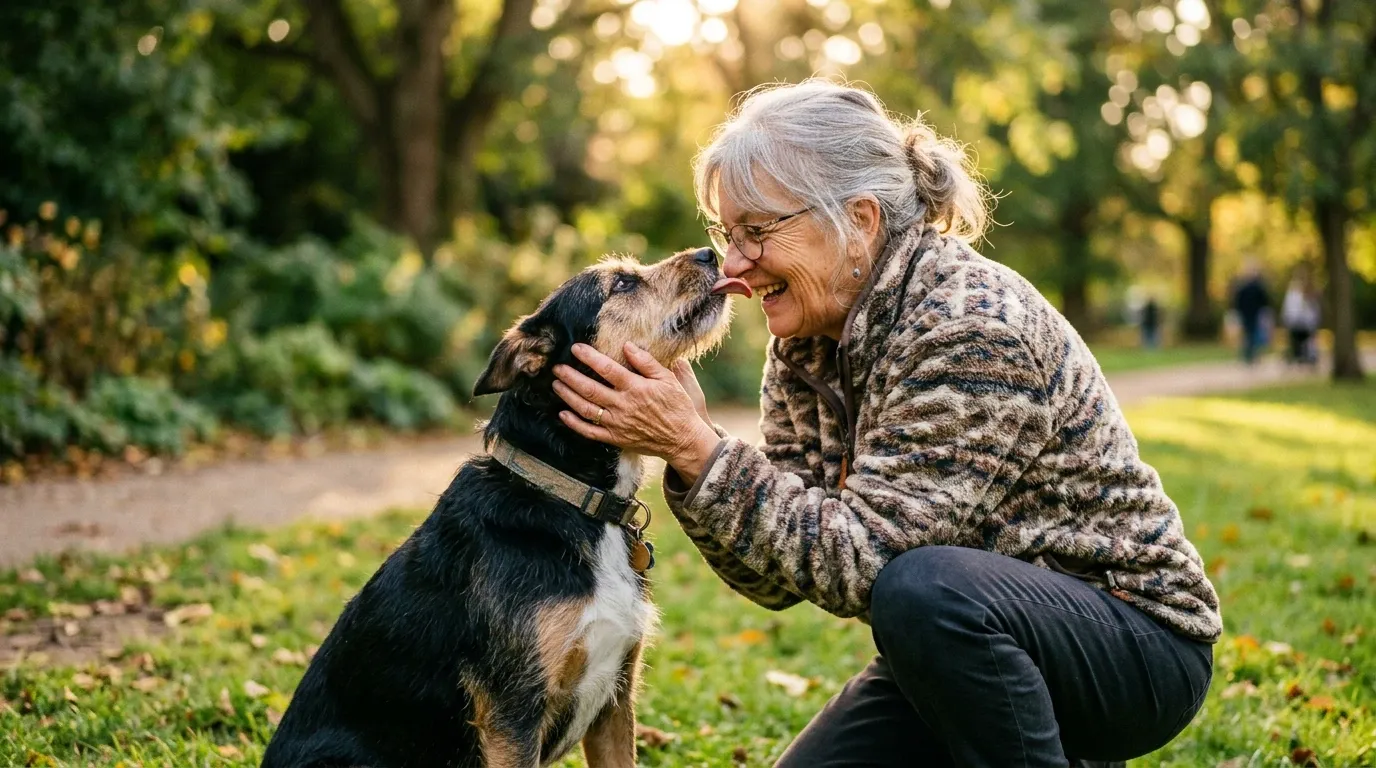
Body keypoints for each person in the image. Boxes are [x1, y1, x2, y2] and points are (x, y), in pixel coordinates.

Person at [549, 81, 1218, 767]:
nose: (736, 263)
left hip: (1131, 644)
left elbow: (869, 563)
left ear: (860, 221)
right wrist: (693, 460)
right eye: (729, 233)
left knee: (919, 587)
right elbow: (777, 578)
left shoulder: (969, 328)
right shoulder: (808, 339)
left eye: (757, 231)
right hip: (966, 645)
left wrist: (697, 447)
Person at [1231, 261, 1271, 364]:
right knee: (1251, 335)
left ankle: (1250, 355)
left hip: (1252, 314)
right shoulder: (1253, 287)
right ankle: (1250, 355)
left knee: (1251, 335)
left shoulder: (1248, 287)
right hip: (1250, 314)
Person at [1280, 265, 1321, 366]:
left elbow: (1313, 310)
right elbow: (1289, 309)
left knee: (1305, 343)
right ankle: (1300, 358)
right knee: (1298, 343)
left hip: (1305, 323)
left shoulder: (1308, 293)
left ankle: (1305, 358)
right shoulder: (1293, 293)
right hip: (1297, 322)